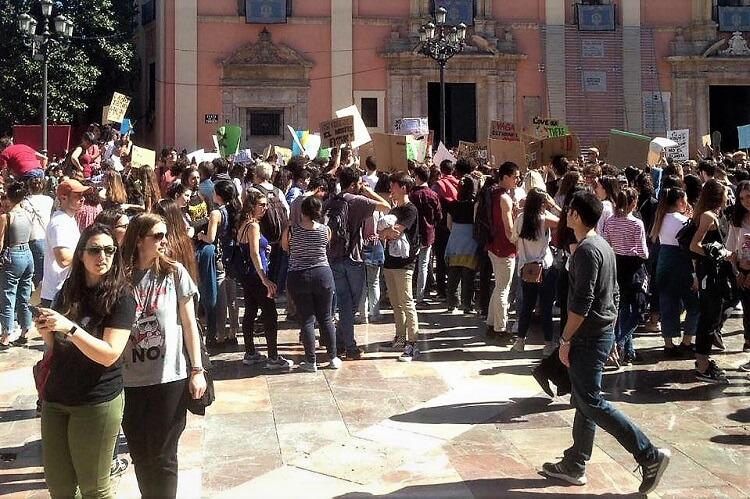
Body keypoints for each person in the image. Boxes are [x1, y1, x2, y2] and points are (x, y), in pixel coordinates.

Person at [542, 191, 670, 495]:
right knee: (584, 400)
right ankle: (576, 463)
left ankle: (648, 454)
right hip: (599, 334)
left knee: (592, 402)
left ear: (574, 215)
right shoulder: (602, 245)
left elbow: (582, 304)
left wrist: (565, 339)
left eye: (569, 211)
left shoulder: (587, 249)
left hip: (587, 337)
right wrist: (610, 335)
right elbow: (612, 295)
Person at [37, 223, 135, 498]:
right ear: (81, 254)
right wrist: (47, 331)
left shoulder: (121, 297)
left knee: (94, 488)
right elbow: (57, 346)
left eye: (108, 250)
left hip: (96, 400)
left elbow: (110, 354)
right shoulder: (69, 288)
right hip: (56, 397)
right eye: (94, 250)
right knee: (60, 487)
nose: (101, 256)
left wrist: (70, 328)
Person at [120, 213, 207, 498]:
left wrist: (197, 370)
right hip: (129, 380)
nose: (164, 241)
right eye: (157, 236)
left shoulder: (174, 272)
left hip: (169, 377)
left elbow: (190, 324)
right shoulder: (120, 276)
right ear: (138, 240)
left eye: (164, 234)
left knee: (163, 454)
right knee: (140, 453)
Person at [326, 167, 390, 359]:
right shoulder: (358, 201)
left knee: (344, 302)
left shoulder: (333, 201)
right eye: (360, 183)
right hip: (354, 258)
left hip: (334, 257)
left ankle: (339, 342)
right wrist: (366, 190)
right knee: (351, 305)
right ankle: (349, 346)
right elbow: (386, 206)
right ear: (354, 184)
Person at [282, 195, 340, 371]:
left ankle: (311, 361)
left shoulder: (292, 229)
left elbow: (285, 247)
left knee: (306, 319)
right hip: (323, 274)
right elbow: (325, 247)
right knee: (326, 318)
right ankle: (332, 357)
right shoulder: (325, 230)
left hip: (299, 276)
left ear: (302, 211)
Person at [237, 190, 293, 369]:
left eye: (266, 204)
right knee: (270, 314)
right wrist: (265, 279)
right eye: (261, 204)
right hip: (257, 276)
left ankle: (250, 352)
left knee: (251, 312)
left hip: (247, 277)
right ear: (251, 206)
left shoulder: (243, 224)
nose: (265, 208)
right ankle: (273, 357)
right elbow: (254, 253)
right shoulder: (253, 226)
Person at [689, 179, 732, 383]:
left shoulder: (717, 215)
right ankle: (703, 364)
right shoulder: (708, 217)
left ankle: (704, 360)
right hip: (711, 275)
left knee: (717, 312)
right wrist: (718, 253)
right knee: (708, 317)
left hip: (715, 275)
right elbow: (694, 245)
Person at [648, 187, 697, 356]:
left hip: (664, 259)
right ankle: (687, 340)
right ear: (679, 201)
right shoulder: (684, 221)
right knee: (693, 304)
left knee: (667, 303)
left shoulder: (660, 218)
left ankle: (668, 344)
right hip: (682, 262)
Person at [603, 187, 649, 365]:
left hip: (616, 264)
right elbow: (643, 251)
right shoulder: (636, 223)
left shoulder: (610, 221)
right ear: (633, 203)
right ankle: (619, 341)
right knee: (637, 309)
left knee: (622, 307)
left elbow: (607, 241)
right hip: (633, 266)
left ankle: (629, 352)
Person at [511, 187, 559, 355]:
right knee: (546, 308)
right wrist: (554, 206)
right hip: (544, 266)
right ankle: (548, 344)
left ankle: (520, 341)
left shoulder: (520, 218)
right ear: (542, 203)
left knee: (527, 306)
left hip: (526, 268)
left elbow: (514, 238)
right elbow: (563, 221)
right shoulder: (544, 219)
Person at [379, 172, 421, 361]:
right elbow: (382, 233)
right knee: (395, 303)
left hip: (405, 263)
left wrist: (387, 231)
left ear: (403, 187)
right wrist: (386, 232)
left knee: (407, 302)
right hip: (390, 261)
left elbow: (395, 232)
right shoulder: (394, 210)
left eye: (394, 186)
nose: (391, 190)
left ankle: (413, 342)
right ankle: (400, 336)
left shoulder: (410, 210)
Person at [196, 180, 240, 347]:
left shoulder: (216, 213)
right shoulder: (234, 209)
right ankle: (233, 331)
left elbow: (211, 238)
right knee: (233, 296)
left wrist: (201, 236)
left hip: (219, 257)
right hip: (232, 256)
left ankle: (221, 334)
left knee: (220, 297)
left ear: (219, 195)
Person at [40, 180, 90, 307]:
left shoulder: (67, 220)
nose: (82, 199)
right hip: (57, 293)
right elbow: (63, 260)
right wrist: (89, 254)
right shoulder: (60, 223)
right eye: (77, 196)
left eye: (83, 195)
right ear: (63, 198)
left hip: (64, 290)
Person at [486, 162, 520, 339]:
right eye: (515, 176)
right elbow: (509, 229)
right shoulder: (504, 198)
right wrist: (517, 244)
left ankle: (492, 324)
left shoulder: (492, 193)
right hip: (504, 249)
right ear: (505, 177)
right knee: (503, 289)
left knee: (499, 286)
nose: (517, 180)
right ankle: (500, 328)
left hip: (493, 246)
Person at [0, 183, 35, 348]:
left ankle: (6, 334)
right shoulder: (29, 214)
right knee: (24, 294)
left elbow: (0, 243)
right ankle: (25, 330)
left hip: (13, 254)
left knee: (8, 295)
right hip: (28, 253)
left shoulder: (6, 217)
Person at [444, 158, 479, 313]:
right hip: (470, 238)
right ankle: (467, 304)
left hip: (455, 239)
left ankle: (452, 303)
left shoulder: (452, 204)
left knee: (453, 273)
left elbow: (448, 224)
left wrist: (455, 233)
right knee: (468, 274)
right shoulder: (474, 205)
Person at [409, 165, 442, 304]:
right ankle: (420, 296)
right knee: (423, 265)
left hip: (412, 234)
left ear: (417, 177)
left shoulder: (411, 195)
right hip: (428, 234)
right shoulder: (433, 195)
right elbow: (439, 215)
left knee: (410, 265)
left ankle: (409, 294)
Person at [728, 180, 750, 367]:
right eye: (741, 198)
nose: (745, 201)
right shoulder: (737, 220)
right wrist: (737, 272)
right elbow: (731, 250)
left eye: (748, 196)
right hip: (742, 271)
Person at [23, 176, 53, 289]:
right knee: (40, 272)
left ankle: (28, 295)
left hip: (30, 237)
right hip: (45, 238)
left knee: (31, 273)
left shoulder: (25, 201)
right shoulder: (49, 200)